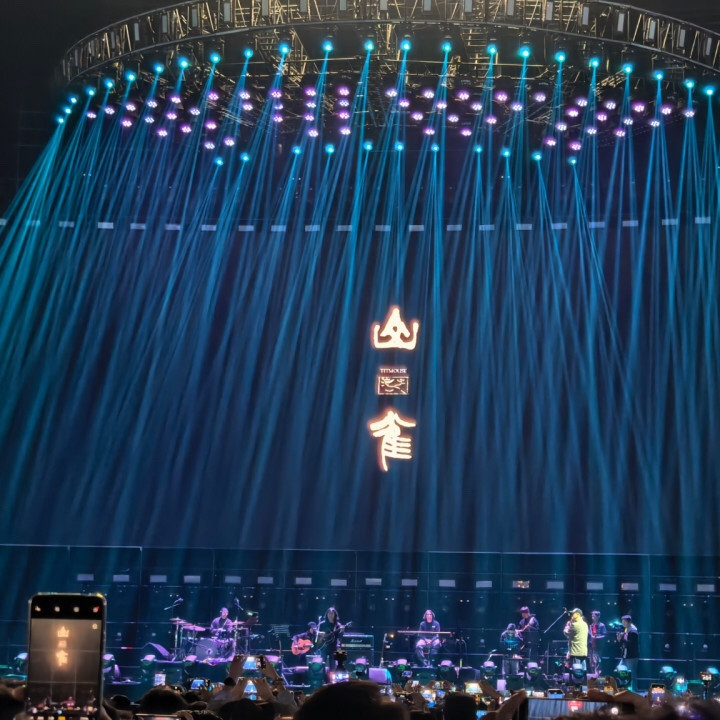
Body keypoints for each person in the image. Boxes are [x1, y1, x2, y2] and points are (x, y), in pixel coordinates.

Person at [617, 615, 639, 688]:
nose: (623, 624)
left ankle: (634, 690)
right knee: (620, 670)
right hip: (625, 656)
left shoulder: (633, 632)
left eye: (624, 622)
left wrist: (622, 639)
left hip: (631, 656)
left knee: (632, 674)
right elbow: (624, 643)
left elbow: (630, 644)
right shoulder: (626, 630)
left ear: (629, 622)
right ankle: (623, 688)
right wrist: (620, 640)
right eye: (622, 622)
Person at [588, 610, 607, 675]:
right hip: (591, 646)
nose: (592, 617)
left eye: (594, 616)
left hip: (598, 646)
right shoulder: (591, 625)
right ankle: (593, 674)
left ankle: (598, 675)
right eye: (592, 616)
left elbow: (605, 635)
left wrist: (597, 637)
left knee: (597, 661)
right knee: (591, 661)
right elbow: (590, 635)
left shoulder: (602, 625)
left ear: (598, 616)